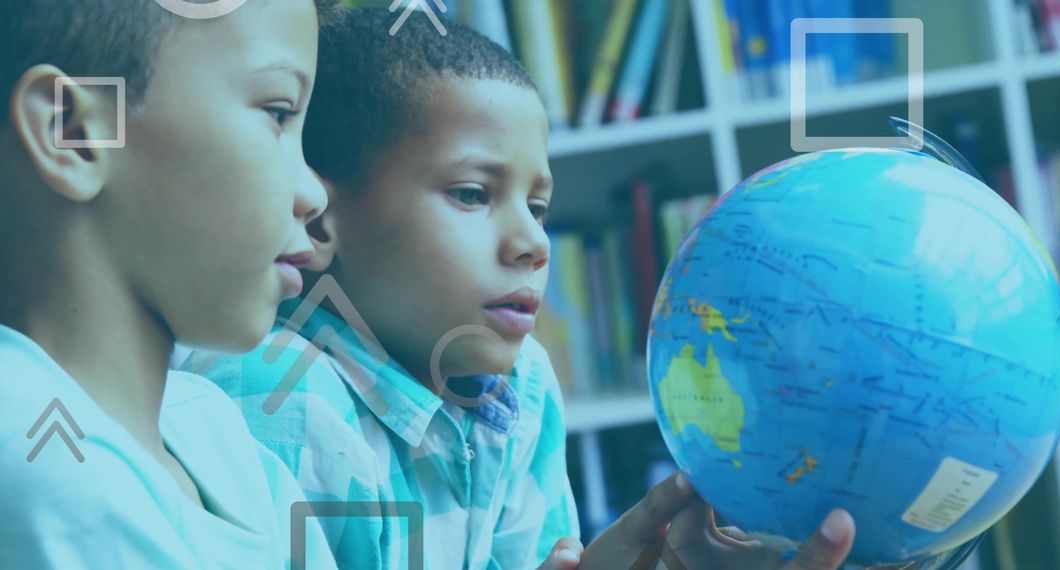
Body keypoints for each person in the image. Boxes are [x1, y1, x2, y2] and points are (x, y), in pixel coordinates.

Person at [185, 8, 857, 570]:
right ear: (322, 216)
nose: (533, 244)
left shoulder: (524, 389)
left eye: (537, 207)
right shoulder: (275, 400)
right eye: (473, 194)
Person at [0, 1, 340, 566]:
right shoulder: (43, 459)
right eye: (278, 114)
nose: (315, 194)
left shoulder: (207, 422)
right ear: (76, 133)